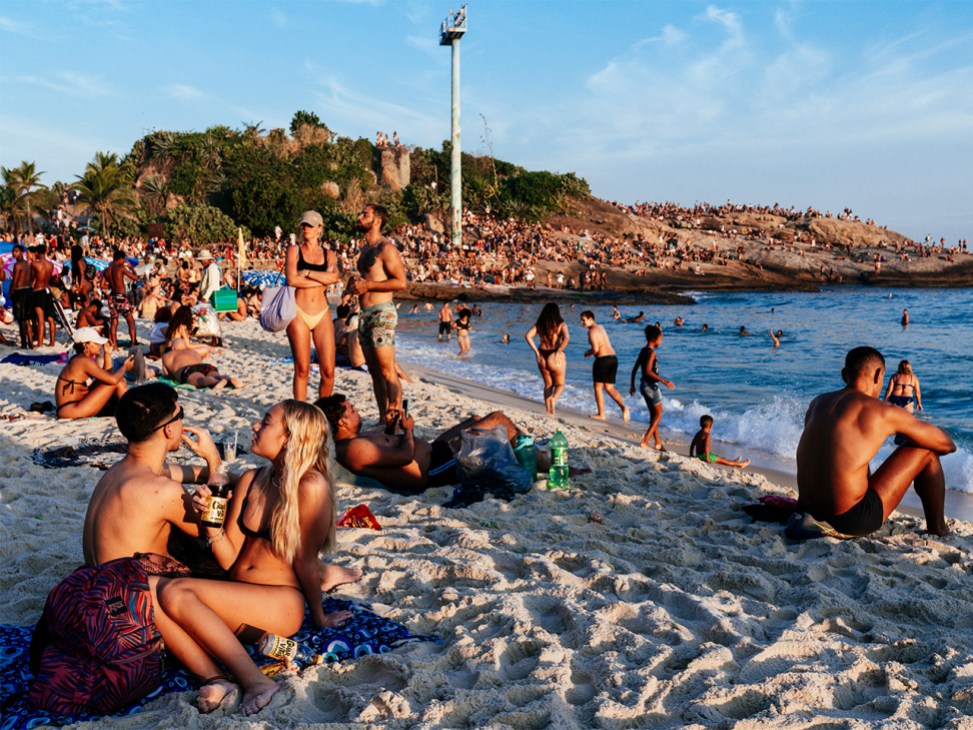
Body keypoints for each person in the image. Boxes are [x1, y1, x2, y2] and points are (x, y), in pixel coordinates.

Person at [155, 400, 354, 714]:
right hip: (238, 594)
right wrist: (211, 524)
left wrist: (319, 616)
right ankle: (218, 679)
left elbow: (304, 561)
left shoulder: (310, 487)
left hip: (279, 603)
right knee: (150, 588)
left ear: (289, 437)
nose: (255, 426)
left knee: (174, 591)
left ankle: (257, 682)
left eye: (265, 422)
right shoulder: (251, 479)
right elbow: (229, 558)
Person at [795, 346, 955, 537]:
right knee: (926, 451)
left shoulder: (818, 403)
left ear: (844, 375)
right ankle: (938, 529)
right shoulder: (881, 411)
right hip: (849, 519)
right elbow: (946, 445)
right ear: (879, 375)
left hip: (806, 509)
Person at [317, 393, 539, 493]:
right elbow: (404, 457)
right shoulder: (354, 449)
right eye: (352, 410)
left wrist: (393, 428)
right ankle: (542, 460)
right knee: (497, 419)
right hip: (435, 470)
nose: (358, 412)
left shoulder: (356, 440)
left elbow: (388, 453)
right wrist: (409, 430)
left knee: (475, 421)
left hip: (435, 453)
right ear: (342, 421)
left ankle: (531, 453)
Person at [349, 204, 407, 426]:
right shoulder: (365, 250)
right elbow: (369, 279)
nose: (359, 216)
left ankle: (396, 418)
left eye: (365, 214)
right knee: (374, 371)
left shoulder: (387, 248)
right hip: (365, 313)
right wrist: (354, 287)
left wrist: (368, 285)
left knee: (387, 369)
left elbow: (401, 282)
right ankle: (384, 419)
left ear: (378, 220)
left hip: (382, 312)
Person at [286, 211, 340, 401]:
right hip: (298, 312)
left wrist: (307, 272)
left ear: (320, 229)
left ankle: (323, 412)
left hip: (322, 312)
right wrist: (321, 279)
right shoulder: (294, 250)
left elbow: (334, 278)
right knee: (302, 369)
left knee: (328, 371)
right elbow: (292, 280)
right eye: (303, 225)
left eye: (310, 225)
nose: (305, 228)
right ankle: (301, 415)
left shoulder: (329, 254)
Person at [54, 327, 134, 419]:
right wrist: (125, 367)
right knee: (118, 381)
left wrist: (107, 354)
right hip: (71, 409)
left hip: (75, 405)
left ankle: (130, 410)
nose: (99, 346)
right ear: (85, 345)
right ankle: (132, 411)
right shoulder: (83, 361)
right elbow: (113, 380)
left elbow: (107, 375)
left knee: (115, 380)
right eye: (96, 343)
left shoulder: (81, 358)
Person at [162, 305, 242, 389]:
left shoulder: (172, 328)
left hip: (188, 370)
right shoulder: (192, 350)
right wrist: (206, 346)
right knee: (214, 373)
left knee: (200, 380)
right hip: (203, 365)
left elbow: (167, 374)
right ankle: (227, 379)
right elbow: (188, 345)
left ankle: (214, 382)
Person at [630, 324, 675, 450]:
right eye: (661, 338)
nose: (661, 341)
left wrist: (632, 385)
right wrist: (664, 381)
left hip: (643, 385)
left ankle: (658, 443)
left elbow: (635, 368)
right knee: (659, 414)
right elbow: (648, 372)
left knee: (653, 414)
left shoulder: (643, 350)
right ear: (654, 339)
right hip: (651, 386)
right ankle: (645, 441)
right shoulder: (652, 353)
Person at [580, 310, 629, 422]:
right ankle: (624, 408)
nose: (582, 322)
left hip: (602, 360)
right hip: (613, 359)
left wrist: (588, 353)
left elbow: (596, 349)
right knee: (609, 388)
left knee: (598, 387)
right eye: (581, 321)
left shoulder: (591, 331)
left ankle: (601, 414)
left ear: (591, 319)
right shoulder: (601, 327)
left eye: (584, 320)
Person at [525, 303, 569, 416]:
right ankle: (554, 399)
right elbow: (567, 338)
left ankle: (548, 411)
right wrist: (559, 351)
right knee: (560, 384)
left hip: (542, 354)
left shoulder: (540, 324)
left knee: (548, 384)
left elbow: (528, 336)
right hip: (554, 354)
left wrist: (536, 351)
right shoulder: (561, 324)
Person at [105, 249, 139, 348]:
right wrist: (131, 267)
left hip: (112, 297)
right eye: (123, 260)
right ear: (120, 259)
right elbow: (135, 278)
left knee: (114, 322)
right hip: (121, 297)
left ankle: (114, 345)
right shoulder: (120, 268)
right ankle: (133, 343)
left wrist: (112, 286)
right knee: (130, 321)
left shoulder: (107, 270)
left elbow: (102, 285)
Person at [29, 244, 57, 347]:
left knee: (40, 318)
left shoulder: (35, 264)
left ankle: (40, 343)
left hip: (39, 290)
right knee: (50, 319)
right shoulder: (51, 264)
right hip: (47, 290)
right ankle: (52, 342)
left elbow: (32, 279)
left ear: (36, 253)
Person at [10, 243, 34, 348]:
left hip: (20, 293)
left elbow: (15, 281)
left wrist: (11, 292)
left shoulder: (18, 265)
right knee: (27, 319)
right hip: (28, 291)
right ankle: (31, 343)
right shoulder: (27, 265)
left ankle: (24, 344)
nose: (14, 253)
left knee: (21, 320)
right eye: (13, 251)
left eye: (16, 251)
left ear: (21, 252)